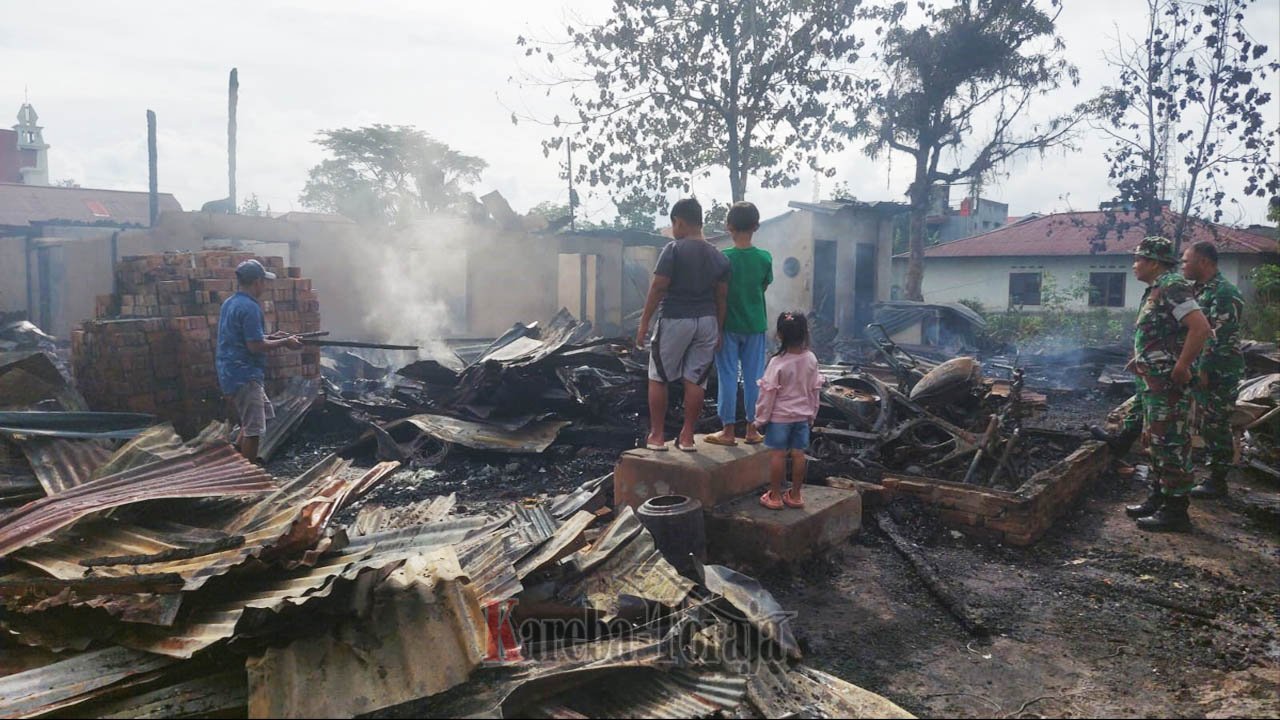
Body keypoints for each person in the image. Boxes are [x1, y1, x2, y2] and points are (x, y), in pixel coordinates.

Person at [1125, 236, 1211, 532]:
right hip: (1153, 378)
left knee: (1169, 441)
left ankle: (1175, 511)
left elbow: (1200, 328)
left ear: (1153, 262)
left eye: (1138, 259)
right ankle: (1159, 496)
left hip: (1167, 382)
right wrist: (1140, 359)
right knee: (1154, 440)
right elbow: (1160, 332)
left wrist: (1182, 366)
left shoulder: (1173, 286)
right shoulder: (1157, 288)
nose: (1134, 265)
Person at [636, 198, 731, 452]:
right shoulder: (719, 257)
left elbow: (658, 287)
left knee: (658, 377)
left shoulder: (673, 250)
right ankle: (687, 437)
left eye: (673, 225)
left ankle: (657, 436)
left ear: (679, 222)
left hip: (675, 319)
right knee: (696, 380)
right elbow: (722, 297)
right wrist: (719, 330)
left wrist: (644, 322)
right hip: (707, 322)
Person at [216, 259, 302, 461]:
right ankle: (247, 475)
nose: (265, 286)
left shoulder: (230, 303)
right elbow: (254, 346)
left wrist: (273, 337)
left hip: (231, 372)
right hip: (244, 375)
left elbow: (244, 338)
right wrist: (285, 342)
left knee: (260, 416)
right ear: (257, 282)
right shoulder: (250, 308)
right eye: (264, 281)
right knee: (253, 430)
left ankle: (237, 460)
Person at [1181, 241, 1246, 499]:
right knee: (1202, 422)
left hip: (1219, 370)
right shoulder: (1197, 290)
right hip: (1200, 366)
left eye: (1186, 261)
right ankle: (1204, 473)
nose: (1183, 266)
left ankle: (1218, 481)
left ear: (1204, 262)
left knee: (1216, 423)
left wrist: (1204, 369)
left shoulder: (1224, 292)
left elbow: (1218, 336)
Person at [706, 201, 772, 447]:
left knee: (728, 376)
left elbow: (718, 294)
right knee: (755, 378)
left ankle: (728, 430)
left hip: (728, 325)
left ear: (728, 227)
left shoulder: (723, 258)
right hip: (755, 325)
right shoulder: (764, 258)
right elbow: (763, 287)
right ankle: (752, 430)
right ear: (756, 226)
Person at [753, 312, 824, 510]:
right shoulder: (811, 359)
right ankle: (796, 495)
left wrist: (760, 419)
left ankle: (775, 496)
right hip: (802, 417)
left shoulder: (777, 362)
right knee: (799, 454)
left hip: (780, 419)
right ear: (805, 333)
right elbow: (814, 390)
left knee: (778, 455)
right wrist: (812, 414)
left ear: (780, 335)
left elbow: (767, 395)